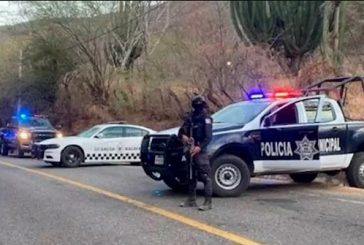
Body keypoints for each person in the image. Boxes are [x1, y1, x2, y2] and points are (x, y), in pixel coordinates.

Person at [178, 95, 213, 211]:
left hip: (200, 151)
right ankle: (191, 200)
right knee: (191, 175)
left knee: (205, 176)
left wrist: (199, 147)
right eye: (195, 104)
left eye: (199, 104)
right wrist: (183, 136)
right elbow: (181, 131)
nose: (197, 106)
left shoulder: (206, 118)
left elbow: (208, 137)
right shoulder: (190, 117)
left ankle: (208, 202)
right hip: (189, 149)